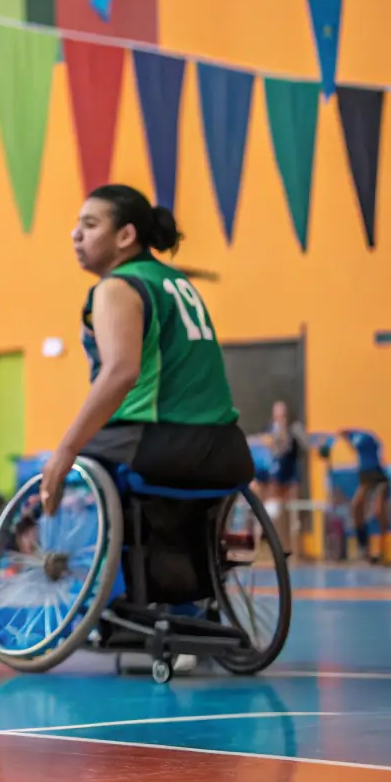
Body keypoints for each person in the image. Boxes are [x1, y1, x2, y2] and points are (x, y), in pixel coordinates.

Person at [40, 184, 253, 513]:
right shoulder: (174, 280)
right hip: (227, 448)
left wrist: (64, 452)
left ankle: (21, 538)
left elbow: (121, 372)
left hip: (160, 444)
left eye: (90, 225)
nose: (75, 234)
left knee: (57, 465)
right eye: (78, 224)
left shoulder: (118, 286)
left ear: (125, 236)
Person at [255, 400, 309, 553]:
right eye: (277, 414)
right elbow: (271, 449)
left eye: (283, 414)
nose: (280, 418)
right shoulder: (270, 430)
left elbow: (300, 446)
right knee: (273, 510)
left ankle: (295, 549)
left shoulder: (295, 430)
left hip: (291, 477)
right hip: (275, 478)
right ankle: (273, 543)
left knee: (293, 516)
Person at [341, 429, 390, 565]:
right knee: (356, 507)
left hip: (378, 479)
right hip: (366, 480)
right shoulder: (353, 440)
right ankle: (364, 548)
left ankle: (381, 550)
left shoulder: (365, 439)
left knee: (379, 511)